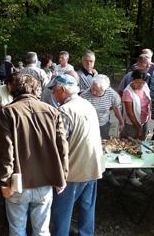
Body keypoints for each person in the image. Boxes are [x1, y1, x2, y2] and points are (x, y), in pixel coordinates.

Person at [0, 73, 69, 235]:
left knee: (17, 229)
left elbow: (5, 151)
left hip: (17, 181)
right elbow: (62, 147)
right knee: (42, 230)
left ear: (13, 90)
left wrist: (4, 182)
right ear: (37, 90)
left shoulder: (7, 112)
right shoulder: (52, 111)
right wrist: (62, 176)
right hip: (45, 179)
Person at [48, 73, 105, 236]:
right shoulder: (87, 104)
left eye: (54, 90)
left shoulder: (65, 110)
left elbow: (59, 143)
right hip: (94, 165)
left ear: (63, 90)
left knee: (62, 210)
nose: (53, 94)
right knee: (87, 206)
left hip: (75, 169)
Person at [80, 74, 124, 187]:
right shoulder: (85, 95)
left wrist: (121, 121)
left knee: (106, 148)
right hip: (88, 125)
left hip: (103, 124)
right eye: (92, 88)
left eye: (97, 90)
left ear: (105, 89)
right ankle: (89, 172)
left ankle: (107, 172)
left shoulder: (112, 94)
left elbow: (116, 107)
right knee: (89, 148)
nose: (93, 92)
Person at [120, 69, 151, 186]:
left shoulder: (144, 86)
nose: (140, 85)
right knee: (130, 148)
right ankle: (131, 176)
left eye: (142, 83)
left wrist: (145, 121)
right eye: (137, 82)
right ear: (132, 80)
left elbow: (147, 102)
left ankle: (137, 169)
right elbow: (130, 114)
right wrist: (138, 128)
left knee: (140, 146)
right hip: (132, 124)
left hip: (144, 121)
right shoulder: (127, 92)